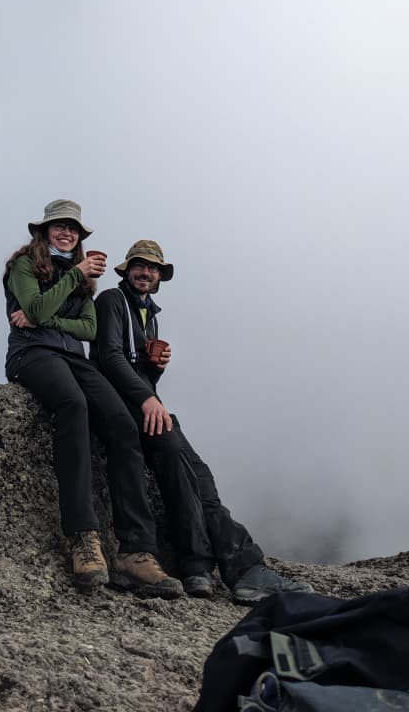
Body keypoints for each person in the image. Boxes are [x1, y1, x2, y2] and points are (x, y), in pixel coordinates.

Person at [91, 239, 313, 603]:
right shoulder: (112, 301)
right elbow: (110, 358)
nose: (145, 273)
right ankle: (236, 568)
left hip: (140, 402)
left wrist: (154, 370)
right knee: (188, 468)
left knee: (195, 474)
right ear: (127, 269)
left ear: (160, 276)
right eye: (139, 266)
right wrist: (148, 396)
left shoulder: (149, 313)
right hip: (126, 405)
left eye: (152, 268)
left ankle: (199, 570)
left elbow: (133, 366)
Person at [2, 201, 182, 598]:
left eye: (73, 229)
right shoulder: (23, 266)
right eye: (59, 226)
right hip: (30, 354)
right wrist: (69, 283)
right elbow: (33, 306)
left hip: (72, 355)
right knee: (74, 406)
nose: (67, 233)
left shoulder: (81, 276)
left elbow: (87, 329)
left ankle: (136, 551)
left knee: (122, 423)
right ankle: (83, 537)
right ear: (44, 231)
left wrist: (46, 315)